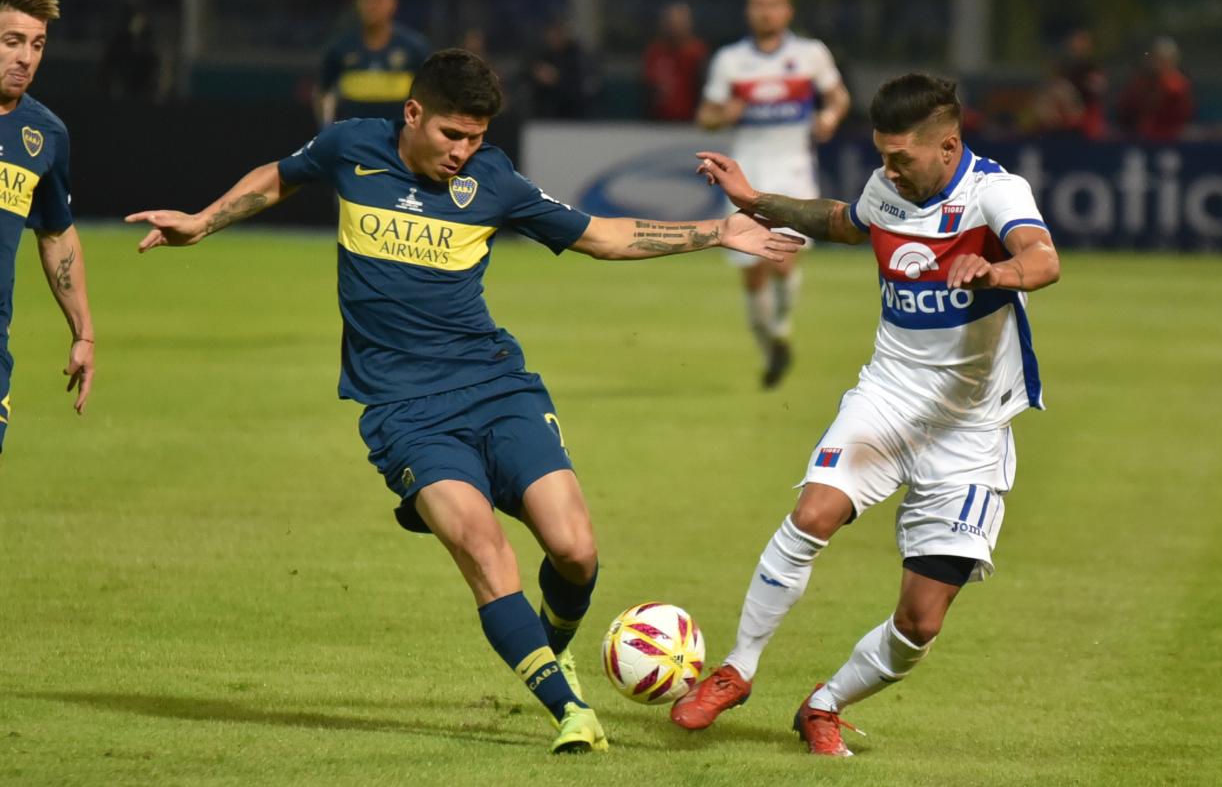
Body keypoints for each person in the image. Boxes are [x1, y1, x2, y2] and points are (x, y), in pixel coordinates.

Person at [126, 49, 800, 754]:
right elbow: (280, 176)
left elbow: (601, 235)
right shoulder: (350, 147)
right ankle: (569, 709)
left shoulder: (493, 180)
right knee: (483, 547)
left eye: (476, 138)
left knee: (575, 550)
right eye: (453, 134)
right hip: (404, 411)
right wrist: (204, 220)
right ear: (412, 113)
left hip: (497, 387)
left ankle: (554, 646)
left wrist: (717, 232)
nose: (464, 152)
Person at [671, 73, 1061, 756]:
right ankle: (737, 668)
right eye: (882, 154)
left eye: (900, 156)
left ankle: (824, 704)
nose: (887, 169)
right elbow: (844, 222)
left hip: (969, 430)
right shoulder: (890, 188)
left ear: (948, 146)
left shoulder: (996, 192)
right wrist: (754, 201)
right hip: (887, 397)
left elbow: (1043, 258)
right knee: (812, 513)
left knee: (920, 621)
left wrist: (994, 272)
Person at [697, 0, 850, 388]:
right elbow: (705, 115)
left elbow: (838, 96)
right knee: (751, 270)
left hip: (793, 171)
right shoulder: (731, 60)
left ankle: (781, 329)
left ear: (787, 10)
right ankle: (771, 349)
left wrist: (830, 117)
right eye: (757, 4)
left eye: (772, 3)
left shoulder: (810, 54)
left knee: (784, 258)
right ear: (750, 10)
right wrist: (723, 114)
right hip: (745, 172)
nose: (764, 11)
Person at [0, 0, 95, 454]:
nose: (26, 57)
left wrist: (84, 334)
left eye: (37, 44)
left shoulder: (45, 136)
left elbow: (57, 234)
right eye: (12, 41)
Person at [315, 0, 430, 127]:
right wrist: (326, 127)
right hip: (353, 142)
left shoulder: (414, 47)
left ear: (394, 3)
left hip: (399, 141)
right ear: (357, 4)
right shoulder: (340, 47)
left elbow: (429, 93)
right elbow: (324, 90)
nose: (372, 5)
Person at [1115, 36, 1193, 142]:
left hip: (1169, 139)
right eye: (1153, 58)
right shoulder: (1140, 83)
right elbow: (1124, 110)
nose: (1155, 63)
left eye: (1160, 59)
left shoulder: (1178, 86)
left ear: (1171, 61)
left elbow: (1182, 117)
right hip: (1139, 137)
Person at [642, 2, 708, 122]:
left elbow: (704, 90)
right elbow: (646, 89)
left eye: (679, 23)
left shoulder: (697, 52)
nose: (675, 27)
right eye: (671, 22)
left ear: (688, 24)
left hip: (691, 122)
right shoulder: (655, 52)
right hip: (656, 123)